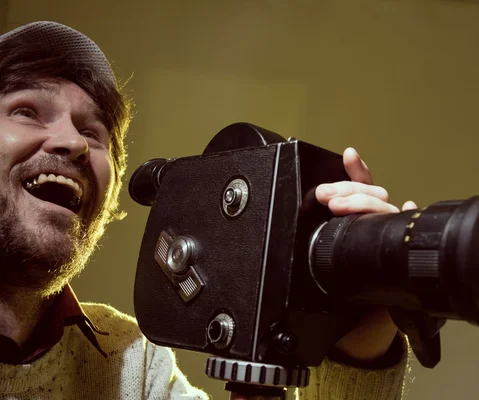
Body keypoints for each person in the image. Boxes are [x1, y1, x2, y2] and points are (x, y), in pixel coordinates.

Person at [0, 21, 414, 399]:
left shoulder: (131, 362)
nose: (72, 143)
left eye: (92, 133)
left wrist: (360, 351)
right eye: (26, 111)